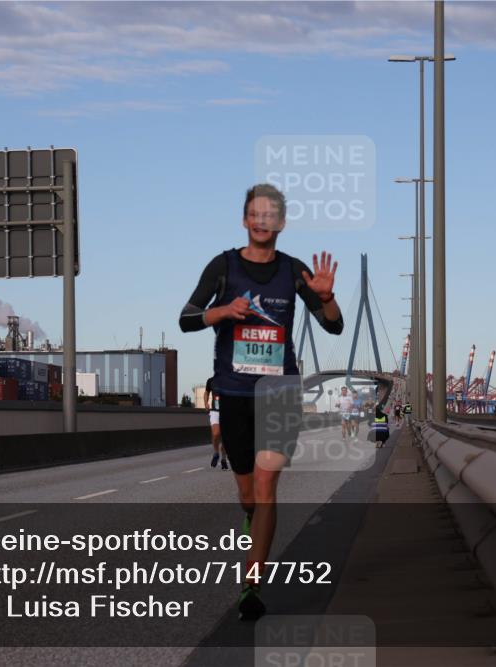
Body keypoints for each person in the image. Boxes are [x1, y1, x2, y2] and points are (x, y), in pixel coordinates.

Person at [179, 183, 343, 620]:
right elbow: (186, 319)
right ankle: (250, 518)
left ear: (281, 223)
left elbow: (335, 327)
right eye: (255, 213)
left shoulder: (294, 272)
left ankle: (251, 584)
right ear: (245, 220)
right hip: (232, 393)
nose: (262, 220)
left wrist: (326, 299)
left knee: (269, 487)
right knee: (249, 493)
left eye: (271, 214)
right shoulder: (223, 265)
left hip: (279, 392)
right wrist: (222, 312)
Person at [205, 376, 228, 470]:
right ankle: (216, 453)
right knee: (216, 433)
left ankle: (223, 459)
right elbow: (206, 392)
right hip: (215, 411)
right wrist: (206, 403)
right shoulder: (211, 380)